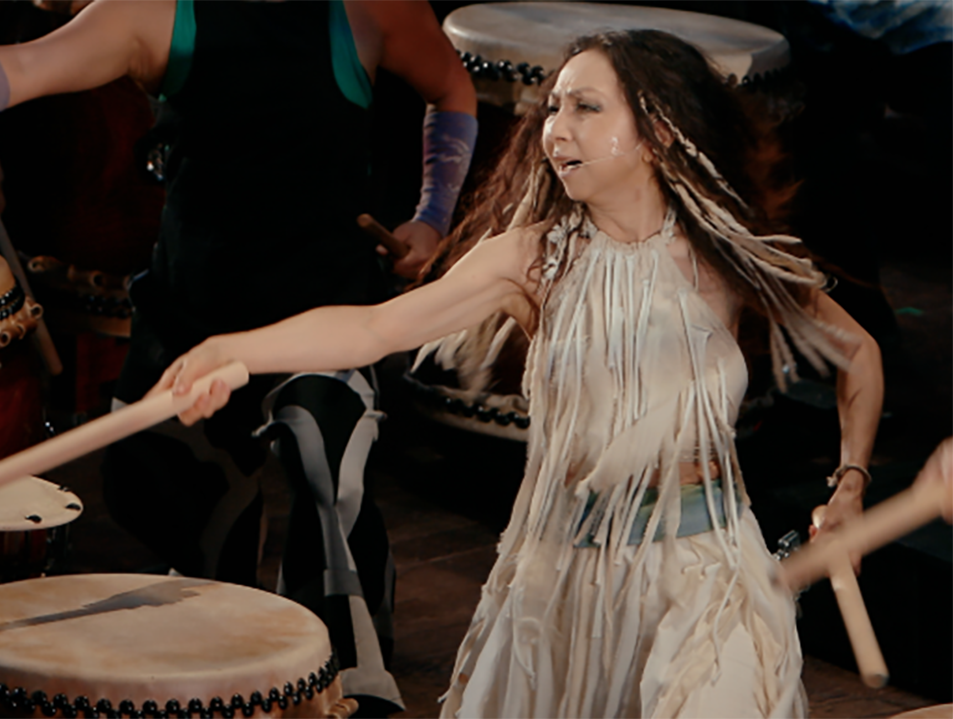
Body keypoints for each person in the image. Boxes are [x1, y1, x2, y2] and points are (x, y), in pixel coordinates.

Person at [150, 30, 884, 718]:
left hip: (708, 568)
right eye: (554, 106)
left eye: (586, 108)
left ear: (659, 133)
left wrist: (849, 484)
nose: (556, 129)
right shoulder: (532, 259)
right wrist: (235, 350)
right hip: (566, 580)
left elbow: (858, 355)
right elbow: (375, 327)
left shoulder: (725, 255)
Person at [0, 0, 477, 711]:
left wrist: (433, 216)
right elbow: (25, 66)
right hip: (195, 316)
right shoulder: (161, 13)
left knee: (330, 469)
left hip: (324, 316)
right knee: (195, 534)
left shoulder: (368, 10)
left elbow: (452, 91)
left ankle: (353, 669)